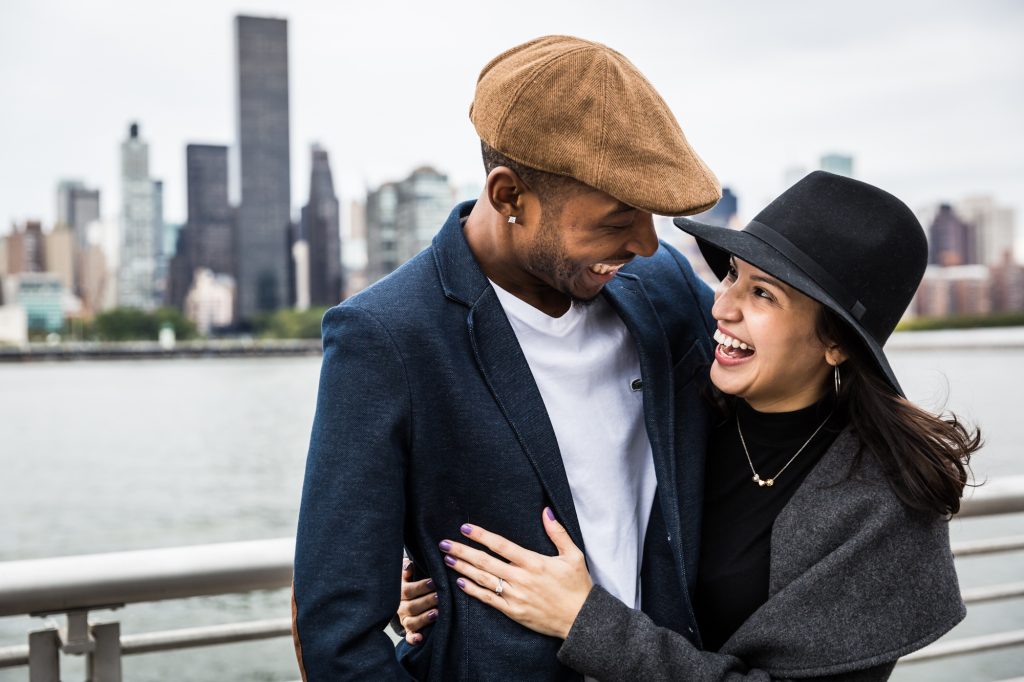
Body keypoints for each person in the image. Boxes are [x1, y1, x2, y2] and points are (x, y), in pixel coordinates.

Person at [402, 171, 979, 680]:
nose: (723, 307)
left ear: (835, 342)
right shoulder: (680, 409)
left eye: (762, 293)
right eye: (731, 277)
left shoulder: (884, 509)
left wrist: (585, 622)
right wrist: (448, 593)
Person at [291, 35, 723, 680]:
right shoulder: (385, 336)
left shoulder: (665, 289)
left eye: (651, 215)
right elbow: (337, 632)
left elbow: (772, 408)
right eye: (615, 219)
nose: (644, 242)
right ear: (509, 195)